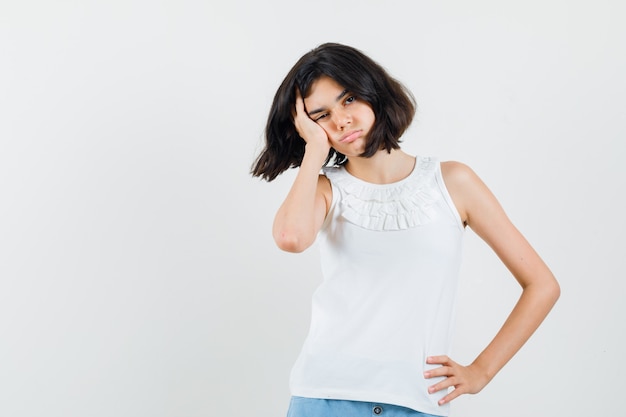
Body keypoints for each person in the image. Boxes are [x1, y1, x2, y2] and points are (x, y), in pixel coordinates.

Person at [251, 42, 560, 417]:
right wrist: (314, 152)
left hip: (418, 402)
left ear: (373, 92)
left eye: (348, 99)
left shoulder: (453, 181)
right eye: (321, 115)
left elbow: (542, 286)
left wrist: (481, 371)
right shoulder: (324, 189)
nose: (341, 120)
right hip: (324, 395)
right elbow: (291, 239)